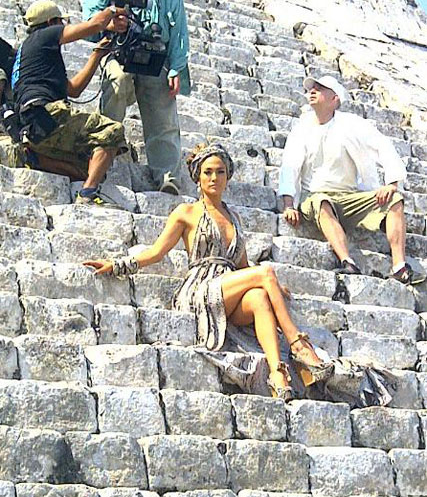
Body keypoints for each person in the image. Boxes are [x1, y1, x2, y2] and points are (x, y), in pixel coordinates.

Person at [84, 143, 333, 402]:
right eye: (208, 172)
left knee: (260, 296)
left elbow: (242, 266)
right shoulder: (186, 212)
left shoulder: (234, 217)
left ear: (228, 176)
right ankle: (299, 346)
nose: (214, 178)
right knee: (266, 272)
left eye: (220, 172)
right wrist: (118, 265)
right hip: (201, 288)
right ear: (198, 177)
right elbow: (157, 252)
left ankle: (277, 374)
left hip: (229, 290)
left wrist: (273, 289)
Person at [279, 75, 425, 286]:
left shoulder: (352, 124)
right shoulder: (301, 128)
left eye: (320, 88)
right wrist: (288, 205)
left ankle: (400, 267)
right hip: (316, 195)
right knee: (321, 202)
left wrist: (392, 184)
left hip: (351, 196)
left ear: (335, 98)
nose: (313, 91)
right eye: (312, 88)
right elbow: (290, 165)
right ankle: (347, 262)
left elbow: (382, 145)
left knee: (395, 201)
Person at [11, 0, 128, 205]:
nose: (63, 27)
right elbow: (94, 25)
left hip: (34, 124)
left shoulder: (33, 52)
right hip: (49, 114)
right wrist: (113, 9)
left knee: (91, 167)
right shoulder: (45, 35)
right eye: (60, 23)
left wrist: (96, 55)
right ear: (51, 22)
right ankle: (88, 194)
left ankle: (37, 158)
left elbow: (73, 90)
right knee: (113, 131)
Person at [82, 0, 190, 195]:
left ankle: (167, 176)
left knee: (162, 104)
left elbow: (179, 32)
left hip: (155, 55)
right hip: (117, 49)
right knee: (118, 80)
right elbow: (90, 21)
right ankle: (101, 156)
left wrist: (176, 67)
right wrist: (110, 23)